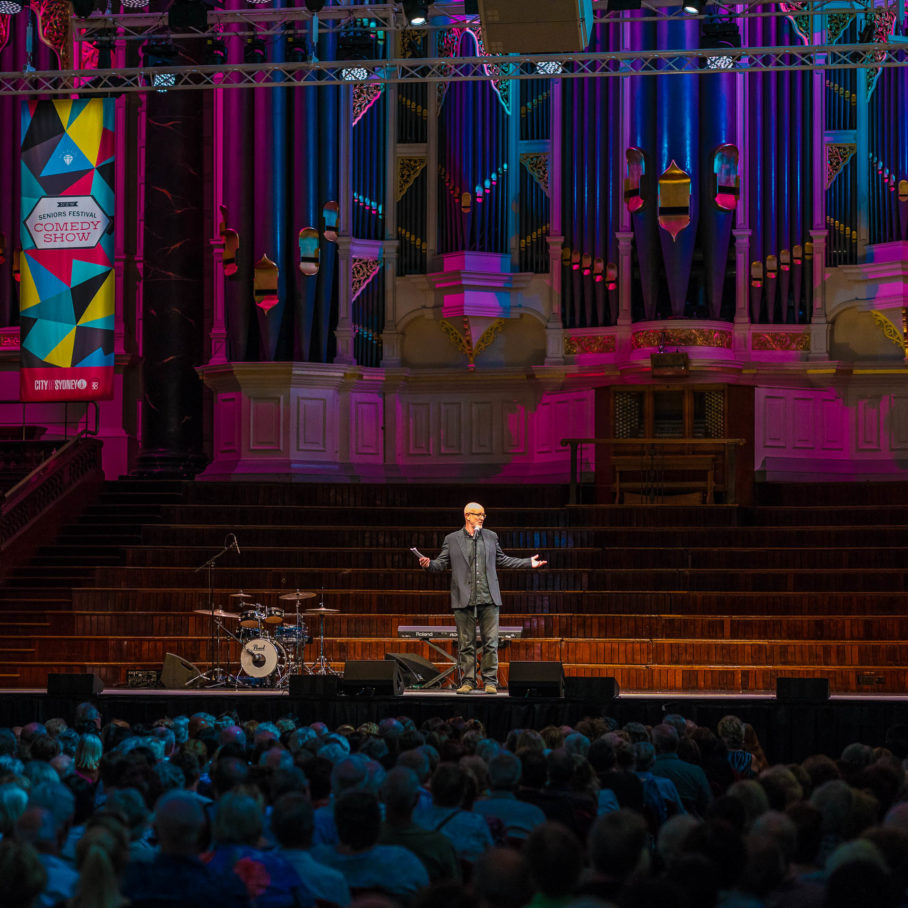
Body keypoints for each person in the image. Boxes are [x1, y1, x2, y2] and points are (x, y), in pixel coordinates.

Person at [419, 502, 546, 694]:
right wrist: (428, 565)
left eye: (483, 515)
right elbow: (440, 564)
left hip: (489, 597)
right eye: (478, 515)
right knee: (466, 644)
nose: (481, 518)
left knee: (491, 643)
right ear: (467, 516)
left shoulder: (490, 536)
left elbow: (503, 559)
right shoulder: (452, 539)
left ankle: (490, 681)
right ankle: (468, 681)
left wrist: (528, 562)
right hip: (463, 598)